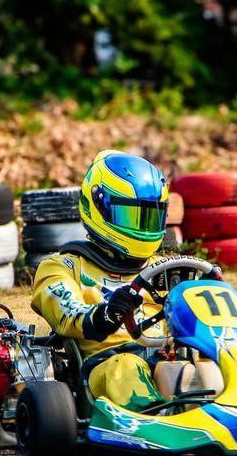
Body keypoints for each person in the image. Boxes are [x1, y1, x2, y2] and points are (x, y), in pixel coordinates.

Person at [30, 150, 171, 412]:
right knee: (126, 366)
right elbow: (68, 314)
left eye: (149, 217)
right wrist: (106, 314)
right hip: (107, 364)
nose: (142, 227)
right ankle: (155, 417)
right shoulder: (63, 266)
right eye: (131, 216)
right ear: (99, 207)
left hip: (166, 358)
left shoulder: (164, 269)